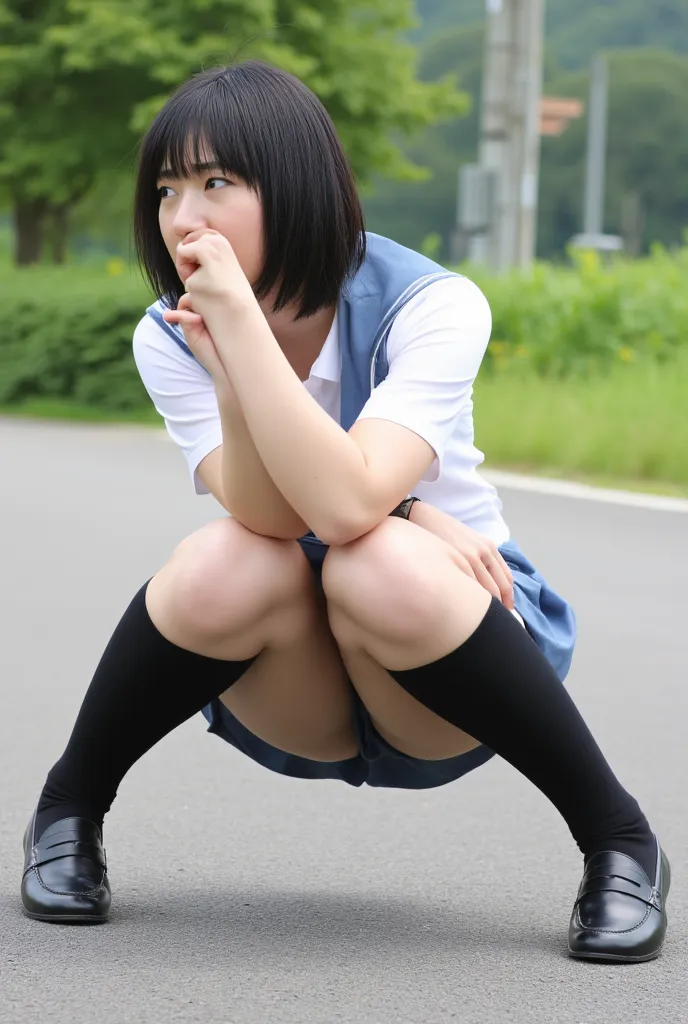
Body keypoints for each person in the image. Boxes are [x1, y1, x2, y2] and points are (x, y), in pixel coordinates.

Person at [21, 61, 669, 963]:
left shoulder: (433, 304)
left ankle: (619, 841)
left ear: (293, 186)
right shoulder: (170, 329)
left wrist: (250, 343)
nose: (182, 217)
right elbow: (270, 517)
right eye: (167, 188)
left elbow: (353, 503)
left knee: (378, 559)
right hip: (296, 678)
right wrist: (234, 363)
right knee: (222, 559)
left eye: (217, 183)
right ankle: (68, 811)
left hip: (443, 662)